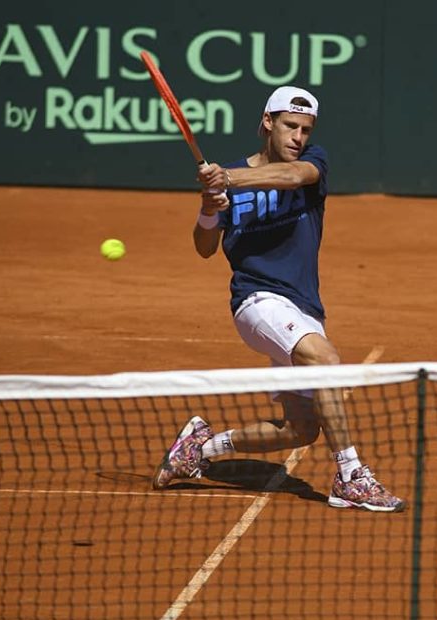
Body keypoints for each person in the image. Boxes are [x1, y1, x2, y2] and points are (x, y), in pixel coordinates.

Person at [151, 86, 405, 513]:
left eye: (305, 129)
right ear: (268, 122)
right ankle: (351, 476)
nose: (298, 137)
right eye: (290, 126)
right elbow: (204, 247)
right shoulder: (230, 177)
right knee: (325, 359)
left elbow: (293, 177)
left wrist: (228, 179)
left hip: (303, 306)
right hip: (256, 301)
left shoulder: (311, 163)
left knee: (300, 430)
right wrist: (209, 207)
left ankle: (201, 447)